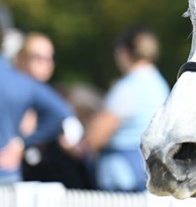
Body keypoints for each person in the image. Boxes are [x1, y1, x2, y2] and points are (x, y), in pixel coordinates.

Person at [85, 25, 170, 191]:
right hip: (149, 173)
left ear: (123, 51)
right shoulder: (161, 85)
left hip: (121, 177)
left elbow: (94, 137)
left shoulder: (127, 88)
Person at [0, 49, 74, 185]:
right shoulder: (20, 82)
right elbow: (61, 112)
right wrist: (22, 143)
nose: (46, 64)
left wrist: (22, 143)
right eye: (38, 58)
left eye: (50, 58)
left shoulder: (22, 83)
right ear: (22, 59)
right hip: (7, 172)